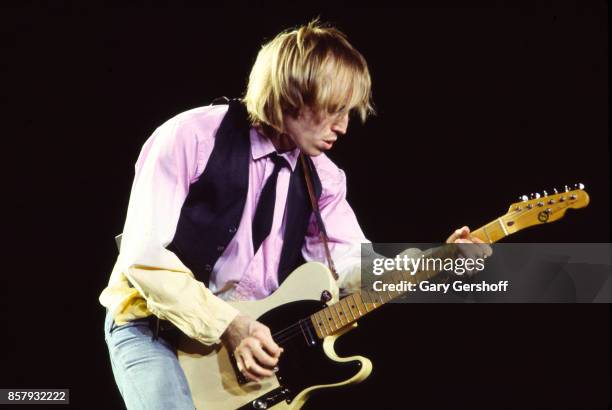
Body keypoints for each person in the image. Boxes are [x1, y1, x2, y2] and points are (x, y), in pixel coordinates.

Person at [99, 20, 490, 409]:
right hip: (153, 329)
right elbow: (143, 256)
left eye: (348, 112)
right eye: (334, 110)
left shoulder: (325, 178)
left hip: (242, 349)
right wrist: (231, 325)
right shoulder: (190, 137)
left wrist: (438, 261)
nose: (343, 126)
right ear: (292, 93)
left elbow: (352, 264)